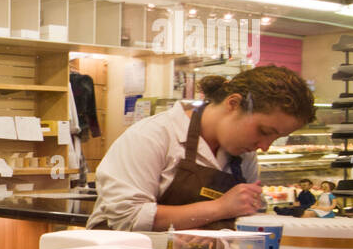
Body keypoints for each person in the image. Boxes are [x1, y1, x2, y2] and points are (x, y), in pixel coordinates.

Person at [87, 65, 314, 232]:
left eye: (277, 138)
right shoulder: (153, 136)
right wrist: (220, 208)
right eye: (264, 131)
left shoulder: (245, 157)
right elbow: (129, 219)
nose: (264, 147)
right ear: (233, 104)